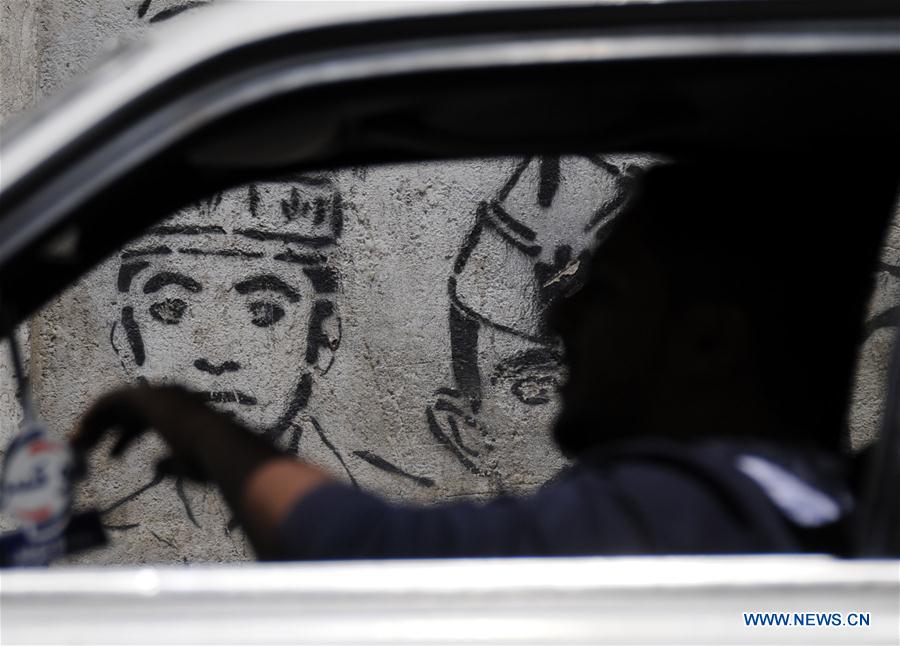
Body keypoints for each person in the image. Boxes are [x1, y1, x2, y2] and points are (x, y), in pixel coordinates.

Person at [72, 160, 900, 559]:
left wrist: (193, 425)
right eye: (171, 305)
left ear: (709, 343)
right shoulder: (800, 508)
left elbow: (371, 556)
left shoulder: (676, 519)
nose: (564, 318)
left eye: (607, 293)